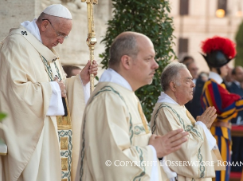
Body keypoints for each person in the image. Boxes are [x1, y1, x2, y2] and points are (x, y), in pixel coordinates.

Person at [0, 4, 98, 181]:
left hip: (53, 137)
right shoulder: (17, 44)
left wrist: (81, 80)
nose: (62, 41)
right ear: (45, 25)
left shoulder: (44, 48)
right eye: (60, 34)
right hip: (35, 140)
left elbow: (60, 87)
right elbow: (13, 92)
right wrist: (53, 90)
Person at [76, 32, 189, 181]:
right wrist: (154, 149)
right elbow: (113, 164)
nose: (155, 65)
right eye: (148, 59)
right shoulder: (109, 99)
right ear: (126, 62)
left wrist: (151, 143)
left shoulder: (123, 94)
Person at [200, 36, 243, 181]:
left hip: (221, 134)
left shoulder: (217, 85)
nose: (228, 68)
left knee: (222, 175)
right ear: (217, 66)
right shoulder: (212, 85)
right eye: (225, 64)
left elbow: (230, 102)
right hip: (217, 136)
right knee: (218, 177)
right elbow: (228, 106)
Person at [150, 62, 219, 181]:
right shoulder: (165, 111)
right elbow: (183, 149)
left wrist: (200, 127)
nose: (193, 84)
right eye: (188, 81)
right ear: (173, 86)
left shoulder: (178, 107)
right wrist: (201, 126)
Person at [226, 66, 243, 172]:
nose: (242, 75)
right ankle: (235, 173)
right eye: (239, 73)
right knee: (236, 150)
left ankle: (242, 171)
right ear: (233, 75)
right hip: (237, 122)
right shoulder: (231, 88)